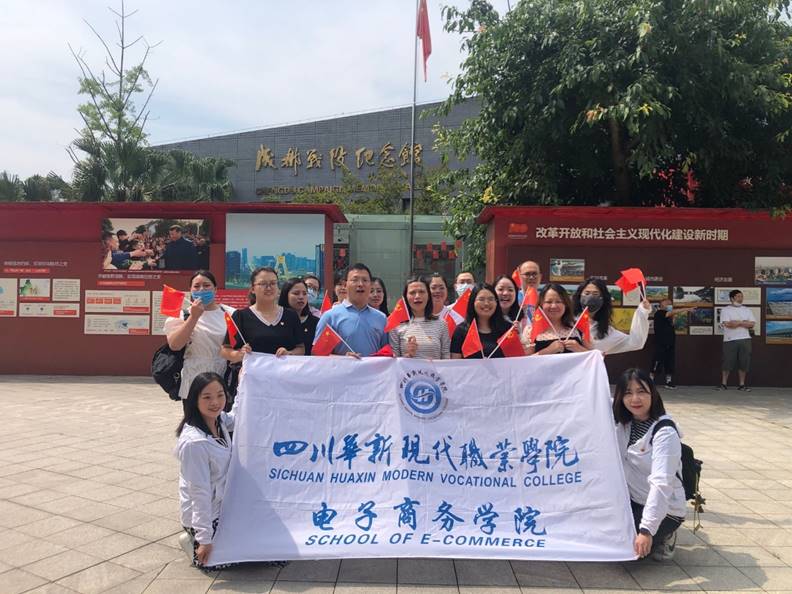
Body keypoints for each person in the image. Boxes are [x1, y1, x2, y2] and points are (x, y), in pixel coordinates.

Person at [613, 368, 687, 562]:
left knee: (627, 553)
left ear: (652, 393)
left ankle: (666, 533)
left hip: (666, 508)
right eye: (628, 393)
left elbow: (661, 483)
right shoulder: (624, 425)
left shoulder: (665, 433)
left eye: (641, 391)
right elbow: (592, 399)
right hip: (633, 499)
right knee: (602, 541)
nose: (635, 399)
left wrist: (646, 530)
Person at [176, 372, 235, 569]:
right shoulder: (195, 443)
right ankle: (192, 541)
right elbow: (199, 492)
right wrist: (204, 539)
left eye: (220, 395)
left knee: (268, 549)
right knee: (232, 559)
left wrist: (246, 377)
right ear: (195, 400)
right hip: (205, 516)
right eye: (207, 397)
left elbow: (239, 415)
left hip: (222, 504)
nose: (215, 402)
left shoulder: (219, 420)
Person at [165, 271, 234, 403]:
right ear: (190, 290)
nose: (201, 289)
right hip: (193, 377)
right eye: (196, 286)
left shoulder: (230, 314)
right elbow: (175, 345)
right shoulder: (183, 315)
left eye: (206, 285)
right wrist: (194, 317)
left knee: (221, 414)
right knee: (194, 414)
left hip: (223, 376)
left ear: (215, 289)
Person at [221, 266, 304, 363]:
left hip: (283, 371)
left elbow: (301, 348)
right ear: (253, 289)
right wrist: (239, 355)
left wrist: (290, 353)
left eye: (273, 283)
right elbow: (225, 350)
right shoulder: (240, 316)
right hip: (250, 372)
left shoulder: (291, 316)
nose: (269, 288)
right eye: (263, 284)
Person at [314, 263, 388, 356]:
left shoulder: (381, 318)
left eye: (365, 280)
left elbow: (386, 353)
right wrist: (343, 358)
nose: (360, 284)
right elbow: (317, 354)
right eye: (355, 280)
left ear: (370, 285)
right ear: (345, 285)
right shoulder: (330, 317)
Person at [573, 278, 651, 354]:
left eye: (595, 294)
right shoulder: (569, 321)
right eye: (587, 293)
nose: (590, 297)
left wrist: (642, 312)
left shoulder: (606, 331)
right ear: (579, 296)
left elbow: (636, 343)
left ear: (603, 299)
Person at [389, 276, 450, 359]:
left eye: (422, 292)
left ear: (428, 295)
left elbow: (446, 358)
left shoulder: (441, 324)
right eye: (412, 293)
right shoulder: (395, 326)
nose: (417, 296)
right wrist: (408, 355)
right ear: (405, 297)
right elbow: (394, 362)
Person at [523, 283, 592, 355]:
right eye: (549, 302)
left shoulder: (578, 327)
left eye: (558, 301)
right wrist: (548, 351)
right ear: (541, 304)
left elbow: (594, 356)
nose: (554, 306)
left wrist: (579, 349)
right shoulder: (531, 330)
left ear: (566, 304)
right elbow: (525, 360)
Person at [450, 283, 511, 359]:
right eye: (481, 299)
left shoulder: (507, 329)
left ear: (496, 302)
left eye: (491, 299)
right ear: (473, 302)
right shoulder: (461, 331)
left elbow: (516, 359)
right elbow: (455, 363)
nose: (486, 303)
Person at [651, 299, 695, 389]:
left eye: (670, 303)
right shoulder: (659, 313)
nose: (669, 304)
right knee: (657, 361)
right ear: (662, 305)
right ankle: (650, 380)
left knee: (670, 362)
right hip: (661, 343)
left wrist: (673, 317)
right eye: (667, 303)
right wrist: (686, 309)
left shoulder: (669, 316)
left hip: (670, 342)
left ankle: (669, 381)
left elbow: (672, 323)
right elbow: (671, 312)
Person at [719, 289, 756, 391]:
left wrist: (738, 323)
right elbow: (728, 324)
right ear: (732, 298)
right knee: (727, 362)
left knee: (744, 362)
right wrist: (743, 322)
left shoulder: (747, 310)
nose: (741, 298)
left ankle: (742, 384)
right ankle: (724, 384)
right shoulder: (726, 310)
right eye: (738, 296)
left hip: (745, 339)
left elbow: (752, 324)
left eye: (741, 296)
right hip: (730, 340)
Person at [279, 277, 319, 356]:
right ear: (285, 295)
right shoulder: (277, 319)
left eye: (304, 293)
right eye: (296, 293)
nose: (301, 297)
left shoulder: (316, 322)